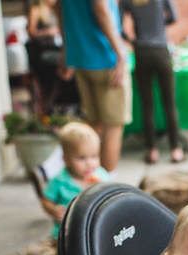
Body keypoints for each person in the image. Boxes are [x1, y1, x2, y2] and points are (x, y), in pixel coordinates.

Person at [57, 0, 129, 172]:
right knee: (113, 125)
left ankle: (86, 183)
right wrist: (119, 50)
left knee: (94, 125)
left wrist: (66, 49)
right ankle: (104, 191)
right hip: (105, 58)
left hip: (80, 58)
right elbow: (101, 8)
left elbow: (61, 10)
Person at [119, 0, 186, 164]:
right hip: (161, 50)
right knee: (169, 103)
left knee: (147, 105)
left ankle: (152, 150)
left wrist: (133, 40)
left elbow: (118, 27)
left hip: (141, 51)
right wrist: (160, 24)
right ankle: (175, 149)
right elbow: (174, 18)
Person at [41, 122, 111, 239]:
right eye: (81, 158)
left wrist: (101, 188)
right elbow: (46, 200)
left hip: (95, 230)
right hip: (66, 233)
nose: (89, 163)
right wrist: (53, 210)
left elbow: (111, 197)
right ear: (65, 159)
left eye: (94, 156)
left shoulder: (101, 175)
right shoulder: (59, 180)